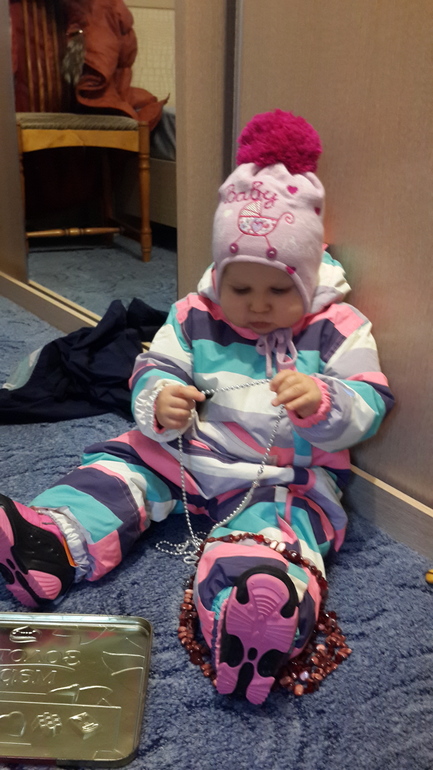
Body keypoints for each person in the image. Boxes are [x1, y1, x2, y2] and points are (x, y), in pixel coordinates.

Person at [0, 110, 394, 705]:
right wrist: (160, 401)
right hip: (183, 454)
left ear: (309, 278)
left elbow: (371, 398)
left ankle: (249, 610)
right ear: (218, 275)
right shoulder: (193, 314)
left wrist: (325, 400)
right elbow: (152, 367)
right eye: (240, 288)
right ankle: (52, 541)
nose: (257, 306)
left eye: (278, 290)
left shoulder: (339, 327)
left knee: (281, 533)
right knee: (118, 471)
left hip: (281, 476)